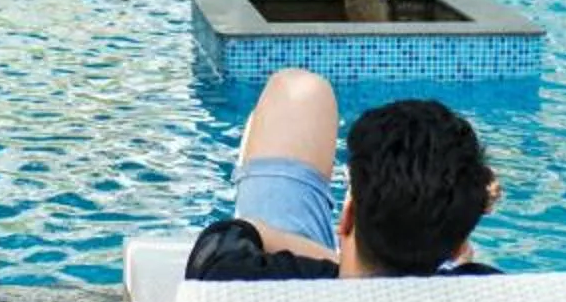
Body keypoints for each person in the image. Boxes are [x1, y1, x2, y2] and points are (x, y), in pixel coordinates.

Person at [186, 68, 501, 281]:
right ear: (456, 249)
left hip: (318, 284)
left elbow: (231, 234)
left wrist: (263, 230)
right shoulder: (494, 297)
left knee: (298, 91)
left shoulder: (233, 277)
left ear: (347, 216)